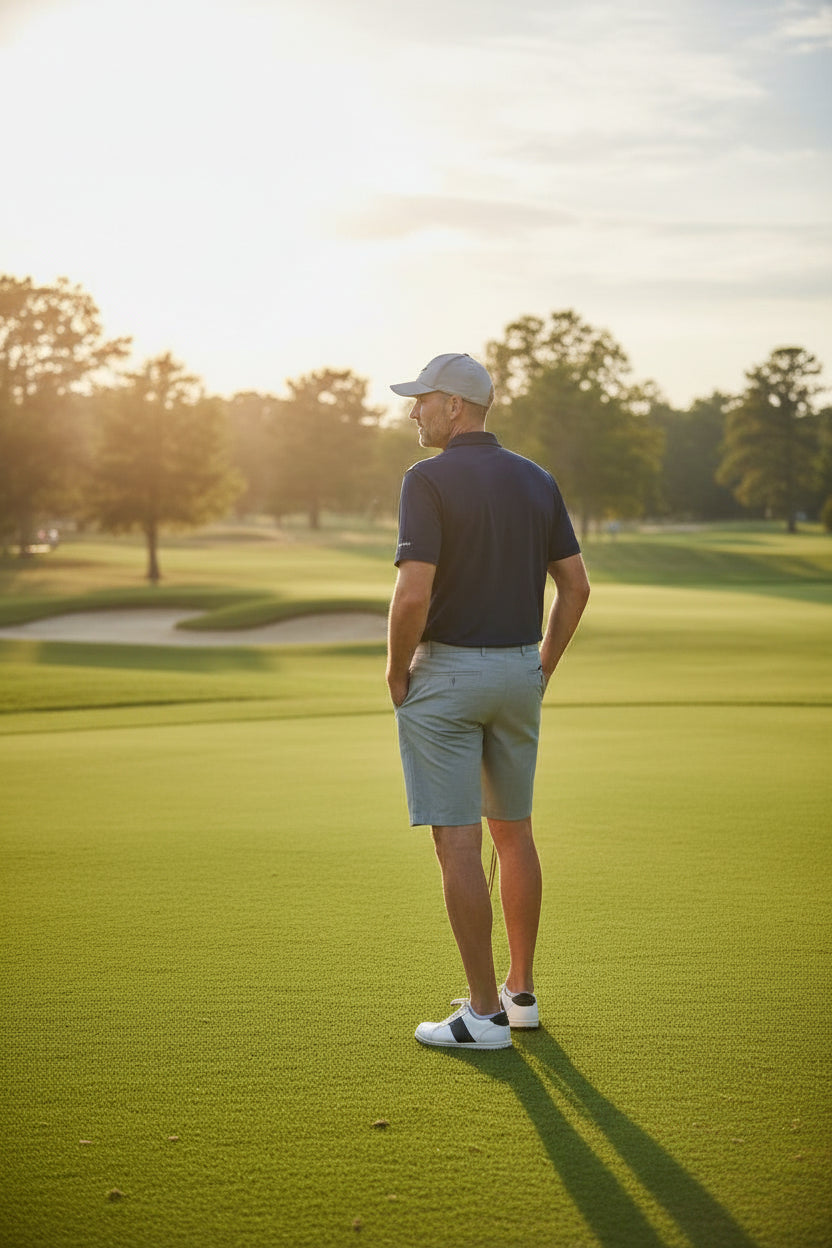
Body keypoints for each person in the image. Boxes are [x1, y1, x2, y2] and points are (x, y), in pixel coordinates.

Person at [386, 352, 590, 1050]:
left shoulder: (427, 478)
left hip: (445, 675)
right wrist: (542, 667)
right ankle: (520, 993)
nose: (413, 410)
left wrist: (394, 671)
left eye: (423, 399)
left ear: (456, 407)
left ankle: (481, 1014)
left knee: (458, 843)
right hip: (516, 673)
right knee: (515, 833)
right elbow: (577, 588)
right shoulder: (537, 480)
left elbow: (412, 593)